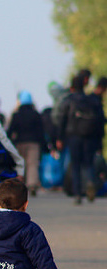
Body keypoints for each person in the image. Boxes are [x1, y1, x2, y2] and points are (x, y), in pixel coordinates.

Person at [56, 75, 98, 204]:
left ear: (72, 86)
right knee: (89, 163)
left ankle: (78, 194)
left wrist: (59, 137)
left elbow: (62, 119)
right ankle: (90, 182)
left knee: (75, 165)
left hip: (73, 136)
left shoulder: (68, 100)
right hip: (89, 136)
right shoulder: (91, 100)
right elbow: (98, 119)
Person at [7, 91, 45, 196]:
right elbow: (41, 131)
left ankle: (20, 186)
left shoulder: (16, 115)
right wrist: (44, 144)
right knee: (32, 164)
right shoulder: (36, 114)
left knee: (21, 164)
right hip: (34, 143)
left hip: (19, 143)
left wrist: (8, 143)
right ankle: (32, 185)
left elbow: (11, 130)